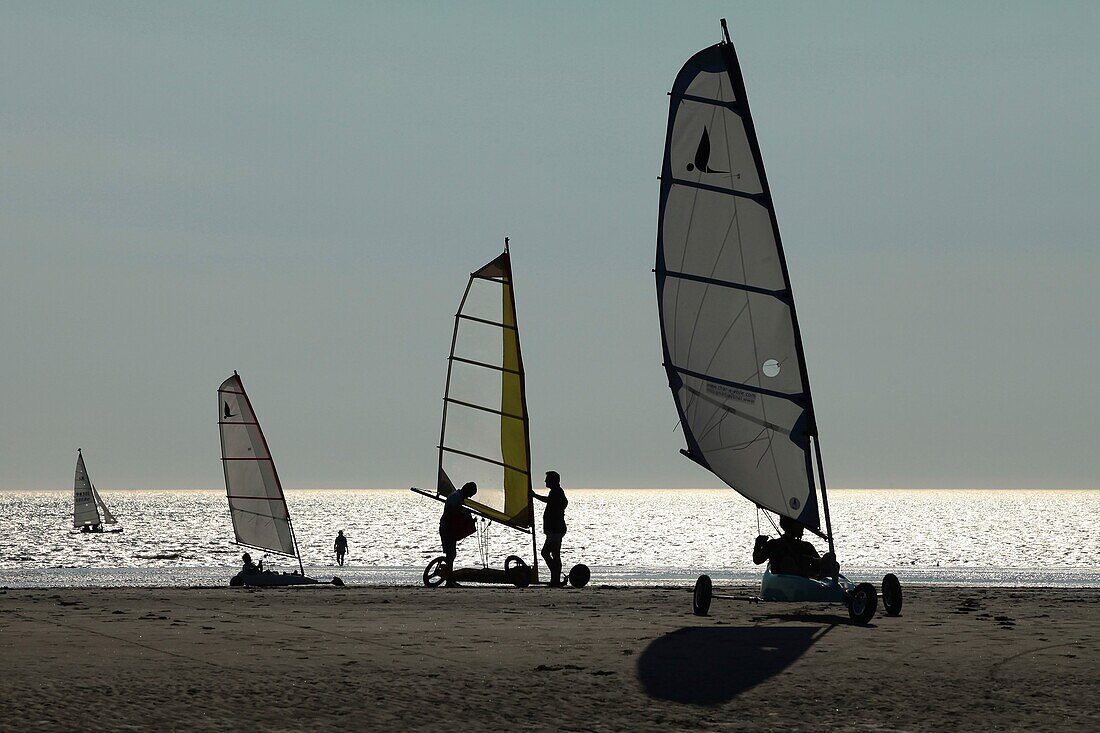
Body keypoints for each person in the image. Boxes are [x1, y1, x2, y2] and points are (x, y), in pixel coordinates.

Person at [752, 516, 834, 578]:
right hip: (784, 581)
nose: (802, 528)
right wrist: (758, 545)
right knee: (788, 561)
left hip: (804, 580)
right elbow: (757, 560)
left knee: (829, 557)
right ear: (789, 526)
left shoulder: (806, 546)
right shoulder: (774, 544)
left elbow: (819, 563)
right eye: (799, 525)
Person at [532, 470, 568, 587]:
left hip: (556, 530)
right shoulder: (556, 491)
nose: (545, 481)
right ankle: (555, 578)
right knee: (553, 553)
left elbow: (551, 501)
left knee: (546, 552)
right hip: (555, 530)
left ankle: (555, 576)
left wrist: (534, 495)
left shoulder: (557, 492)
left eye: (547, 479)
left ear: (553, 481)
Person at [439, 482, 477, 586]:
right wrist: (464, 513)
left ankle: (449, 578)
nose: (469, 497)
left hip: (449, 527)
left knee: (451, 554)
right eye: (470, 495)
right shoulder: (455, 497)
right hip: (447, 528)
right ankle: (449, 580)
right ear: (467, 490)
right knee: (451, 554)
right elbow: (453, 512)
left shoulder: (458, 496)